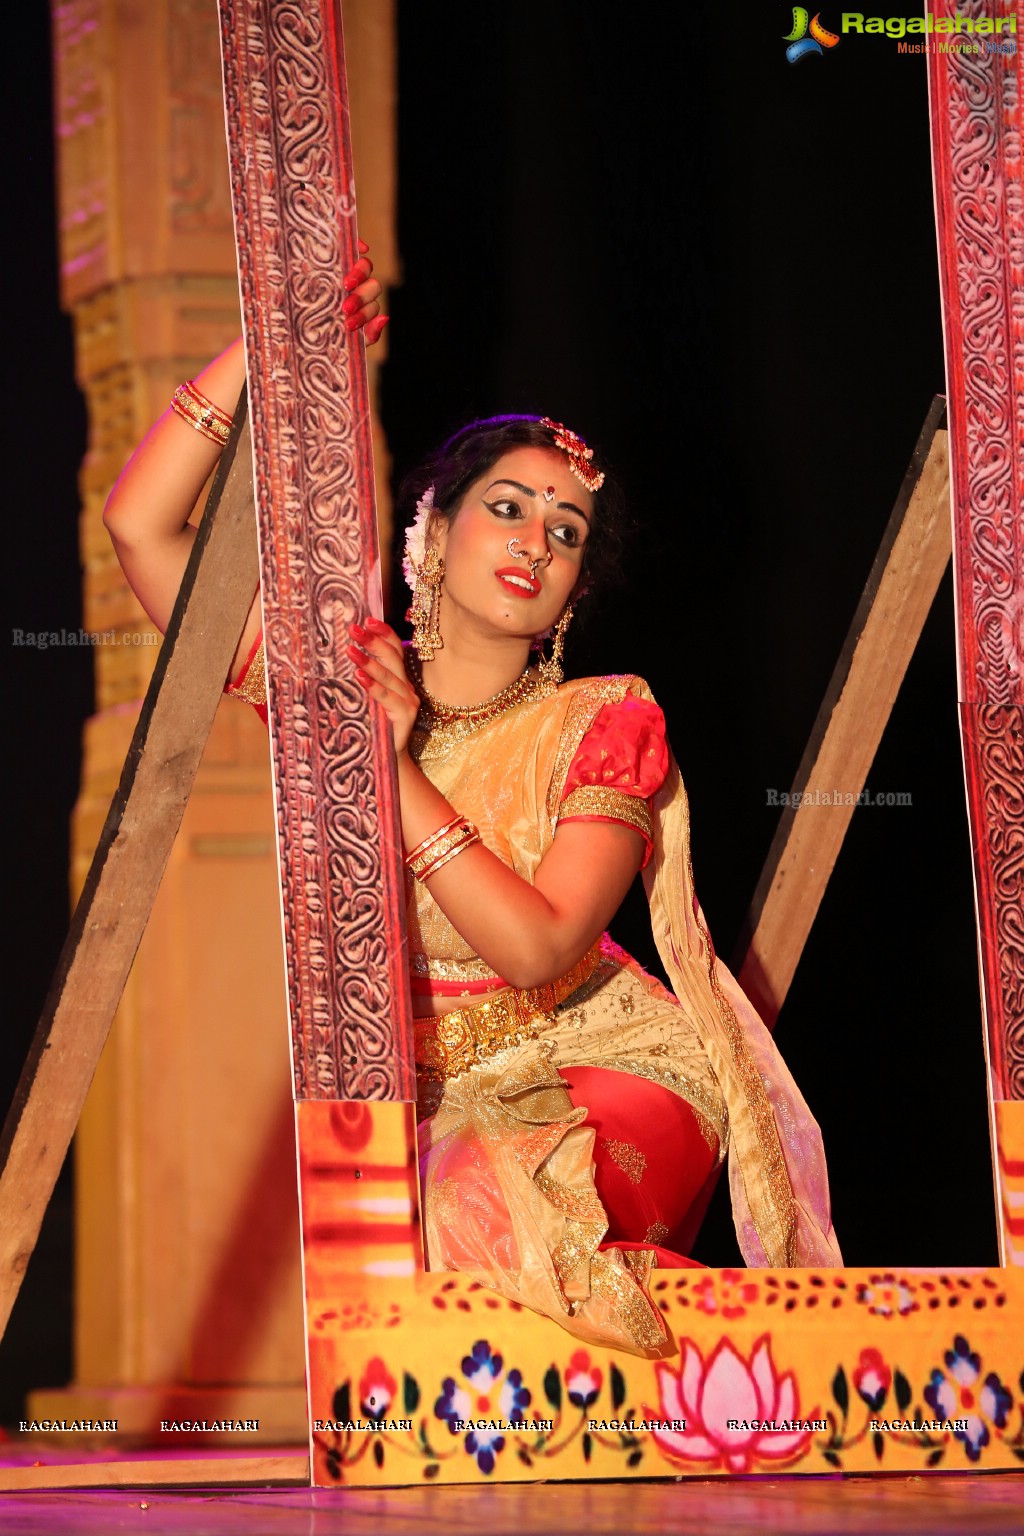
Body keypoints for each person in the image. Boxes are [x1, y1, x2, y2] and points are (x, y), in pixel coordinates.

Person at [105, 249, 840, 1360]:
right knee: (408, 1252)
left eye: (565, 534)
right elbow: (142, 530)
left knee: (482, 1213)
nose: (534, 541)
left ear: (571, 595)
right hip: (444, 1099)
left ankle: (704, 1378)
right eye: (506, 508)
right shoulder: (338, 679)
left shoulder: (608, 717)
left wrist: (387, 767)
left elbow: (543, 950)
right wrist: (266, 351)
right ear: (432, 533)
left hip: (607, 1065)